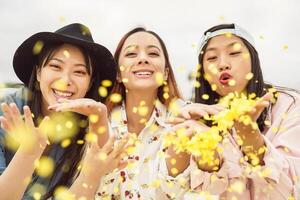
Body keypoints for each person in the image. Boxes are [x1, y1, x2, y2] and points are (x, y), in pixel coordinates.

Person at [167, 24, 300, 199]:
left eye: (235, 53)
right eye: (212, 58)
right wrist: (207, 157)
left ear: (253, 59)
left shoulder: (289, 105)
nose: (222, 64)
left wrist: (250, 136)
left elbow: (291, 191)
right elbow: (176, 193)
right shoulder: (192, 119)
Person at [0, 23, 128, 200]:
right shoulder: (6, 108)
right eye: (56, 66)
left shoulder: (90, 127)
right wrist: (28, 153)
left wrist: (99, 118)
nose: (65, 81)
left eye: (79, 72)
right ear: (38, 72)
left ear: (90, 83)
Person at [95, 27, 188, 199]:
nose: (143, 59)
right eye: (131, 54)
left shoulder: (183, 119)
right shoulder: (99, 122)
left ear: (166, 73)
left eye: (153, 53)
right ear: (118, 74)